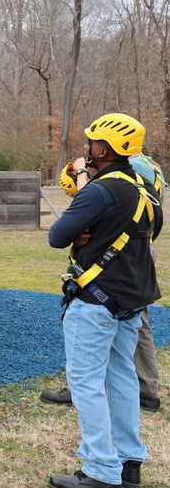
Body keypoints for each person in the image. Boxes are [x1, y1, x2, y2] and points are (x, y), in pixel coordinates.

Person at [46, 113, 161, 488]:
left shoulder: (99, 190)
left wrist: (79, 232)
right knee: (122, 378)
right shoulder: (142, 188)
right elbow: (149, 231)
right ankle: (129, 463)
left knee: (86, 382)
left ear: (105, 149)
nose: (86, 146)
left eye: (91, 141)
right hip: (131, 299)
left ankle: (100, 468)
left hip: (96, 300)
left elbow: (57, 236)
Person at [42, 149, 165, 413]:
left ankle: (135, 389)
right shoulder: (142, 167)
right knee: (134, 321)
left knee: (124, 322)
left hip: (125, 253)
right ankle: (144, 390)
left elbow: (98, 206)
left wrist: (83, 176)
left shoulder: (128, 172)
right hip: (137, 248)